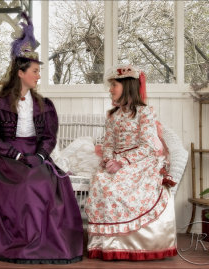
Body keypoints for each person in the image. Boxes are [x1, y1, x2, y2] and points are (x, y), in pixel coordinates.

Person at [0, 13, 83, 264]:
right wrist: (17, 155)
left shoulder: (45, 105)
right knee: (26, 184)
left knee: (48, 181)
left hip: (35, 154)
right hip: (7, 156)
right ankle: (24, 242)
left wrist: (41, 156)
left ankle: (43, 243)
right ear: (20, 72)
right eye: (35, 71)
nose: (38, 76)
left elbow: (48, 137)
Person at [85, 64, 177, 261]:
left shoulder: (144, 113)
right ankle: (107, 245)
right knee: (101, 181)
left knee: (120, 185)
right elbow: (108, 143)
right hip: (116, 160)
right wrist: (109, 159)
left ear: (127, 87)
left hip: (139, 161)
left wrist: (123, 161)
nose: (110, 90)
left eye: (114, 86)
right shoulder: (113, 116)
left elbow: (148, 146)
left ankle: (132, 245)